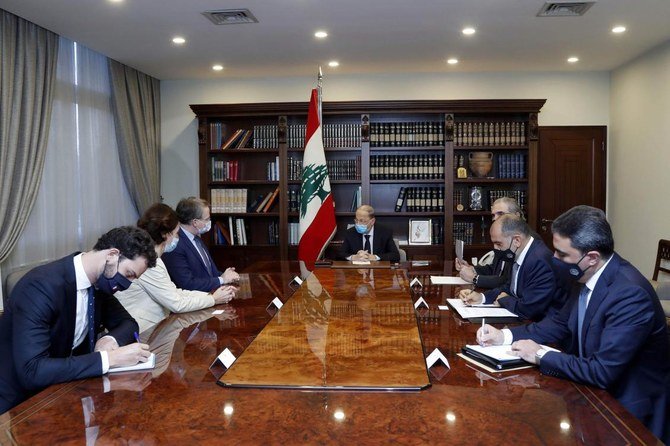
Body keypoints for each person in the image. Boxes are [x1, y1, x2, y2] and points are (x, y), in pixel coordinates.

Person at [477, 206, 670, 443]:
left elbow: (601, 371)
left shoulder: (630, 295)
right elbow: (558, 323)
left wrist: (540, 354)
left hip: (627, 412)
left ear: (591, 258)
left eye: (562, 254)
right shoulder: (583, 275)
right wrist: (504, 337)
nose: (554, 258)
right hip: (588, 392)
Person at [0, 226, 157, 413]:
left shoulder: (99, 284)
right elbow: (32, 371)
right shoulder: (41, 287)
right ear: (112, 255)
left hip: (65, 391)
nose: (126, 284)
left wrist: (109, 339)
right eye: (128, 274)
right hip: (22, 404)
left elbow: (128, 324)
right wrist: (109, 359)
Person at [115, 203, 237, 333]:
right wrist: (213, 299)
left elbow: (175, 292)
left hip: (156, 328)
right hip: (143, 332)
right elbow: (176, 303)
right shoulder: (148, 263)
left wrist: (211, 295)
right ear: (166, 235)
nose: (178, 238)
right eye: (177, 233)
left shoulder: (153, 259)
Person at [459, 214, 568, 321]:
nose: (495, 249)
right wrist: (482, 297)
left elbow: (529, 308)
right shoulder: (517, 253)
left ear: (517, 240)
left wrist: (504, 300)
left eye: (499, 244)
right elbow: (508, 288)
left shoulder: (540, 261)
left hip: (542, 324)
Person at [162, 197, 239, 292]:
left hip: (212, 295)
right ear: (195, 222)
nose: (209, 222)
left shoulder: (196, 238)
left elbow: (208, 272)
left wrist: (227, 275)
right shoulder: (175, 244)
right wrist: (222, 279)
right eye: (207, 219)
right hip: (195, 301)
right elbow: (187, 283)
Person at [455, 197, 522, 288]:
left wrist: (475, 278)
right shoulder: (502, 238)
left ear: (516, 216)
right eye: (493, 215)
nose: (495, 219)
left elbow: (509, 281)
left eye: (501, 214)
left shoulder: (521, 241)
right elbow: (494, 270)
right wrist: (472, 269)